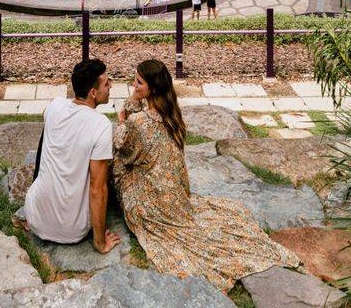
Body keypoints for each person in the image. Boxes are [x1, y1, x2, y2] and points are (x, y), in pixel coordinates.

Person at [113, 60, 299, 291]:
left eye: (138, 82)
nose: (134, 84)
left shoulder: (137, 123)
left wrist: (122, 122)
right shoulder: (171, 113)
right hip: (175, 196)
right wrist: (134, 101)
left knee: (117, 167)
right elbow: (139, 118)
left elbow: (123, 146)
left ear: (152, 88)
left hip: (149, 204)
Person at [23, 59, 120, 254]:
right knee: (106, 178)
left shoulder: (55, 106)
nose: (111, 86)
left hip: (35, 217)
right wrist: (100, 243)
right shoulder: (101, 125)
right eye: (107, 83)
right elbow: (97, 188)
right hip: (72, 229)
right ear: (93, 93)